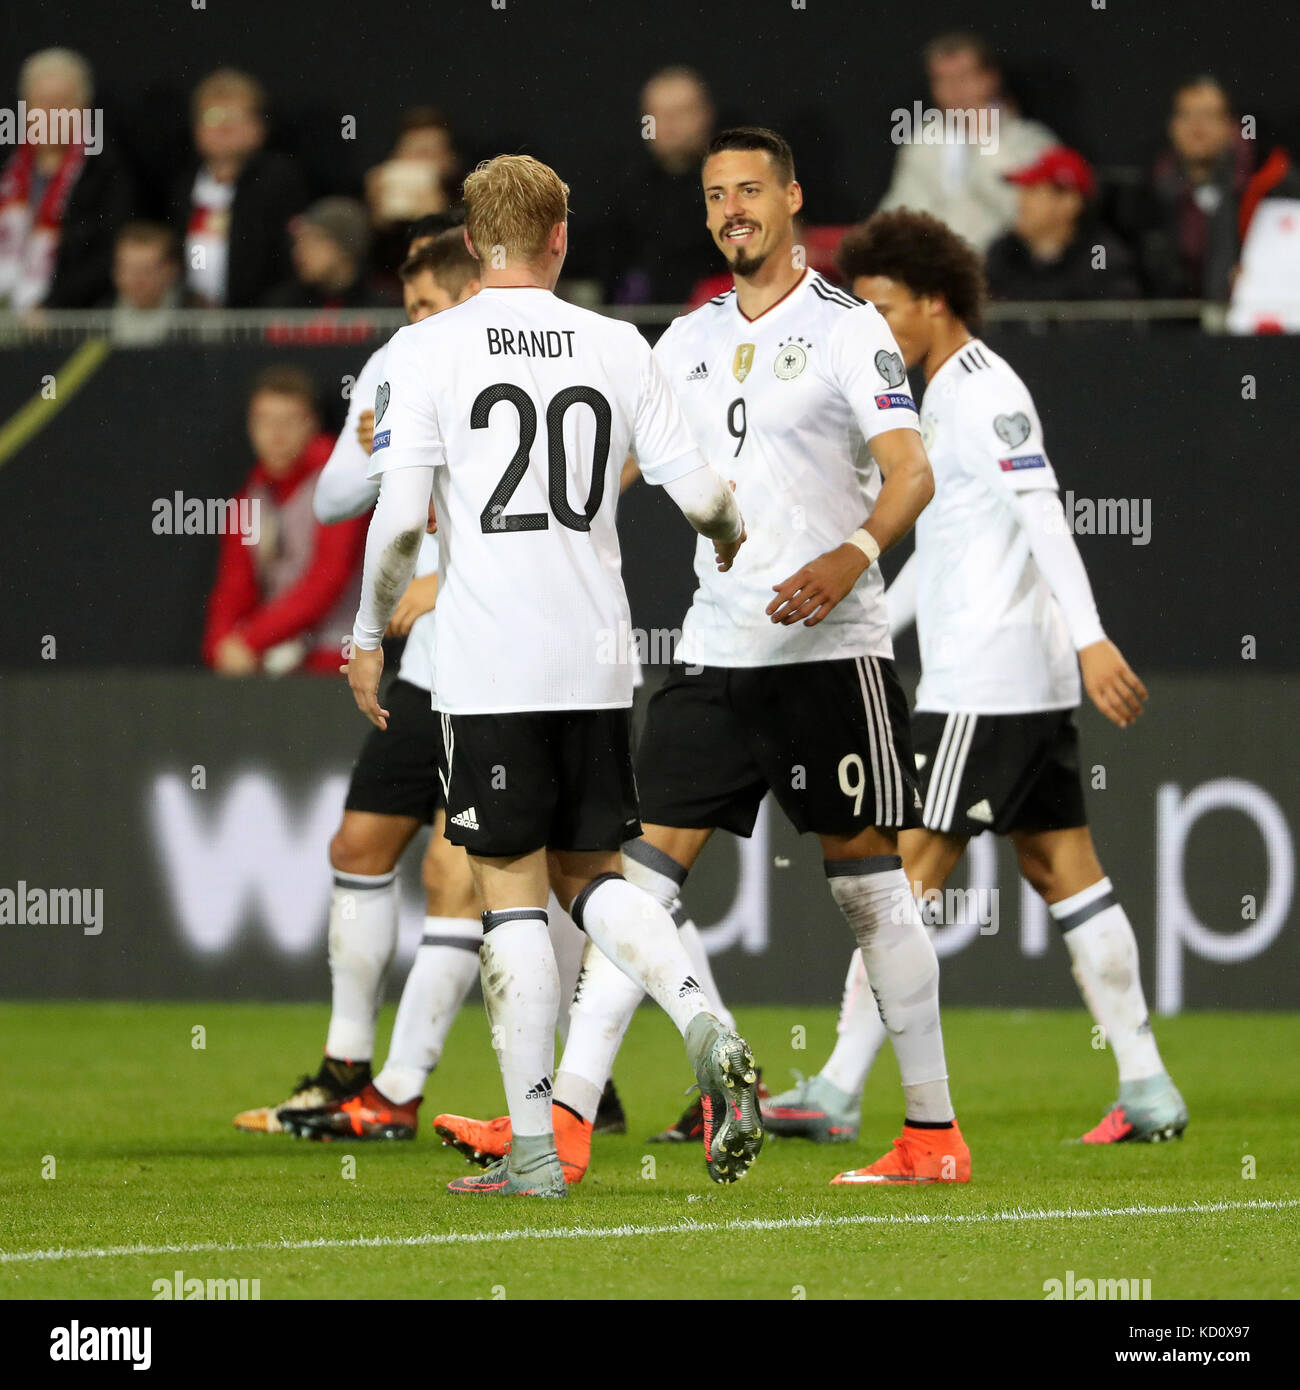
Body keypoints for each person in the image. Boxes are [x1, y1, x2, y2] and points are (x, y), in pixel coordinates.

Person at [437, 128, 971, 1191]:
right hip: (714, 651)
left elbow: (912, 472)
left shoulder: (848, 328)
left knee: (867, 887)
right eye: (716, 193)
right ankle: (570, 1122)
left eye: (750, 191)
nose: (731, 208)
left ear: (792, 199)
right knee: (631, 882)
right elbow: (614, 467)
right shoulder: (677, 339)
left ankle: (930, 1131)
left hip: (830, 650)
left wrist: (850, 553)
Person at [347, 152, 758, 1199]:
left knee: (513, 897)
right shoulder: (618, 343)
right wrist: (725, 538)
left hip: (489, 664)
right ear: (559, 237)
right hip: (597, 658)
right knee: (597, 879)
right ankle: (700, 1014)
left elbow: (397, 524)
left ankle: (535, 1149)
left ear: (473, 238)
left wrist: (365, 632)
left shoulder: (428, 347)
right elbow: (703, 492)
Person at [762, 209, 1187, 1151]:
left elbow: (1044, 518)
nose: (873, 327)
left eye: (884, 307)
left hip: (981, 686)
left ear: (935, 301)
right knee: (1062, 868)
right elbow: (948, 555)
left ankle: (834, 1088)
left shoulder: (985, 391)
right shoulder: (937, 397)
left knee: (894, 878)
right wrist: (863, 615)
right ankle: (1149, 1085)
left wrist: (1093, 638)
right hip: (1012, 682)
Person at [201, 367, 366, 676]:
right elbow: (234, 586)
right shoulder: (248, 499)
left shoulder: (341, 483)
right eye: (264, 421)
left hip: (338, 661)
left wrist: (251, 641)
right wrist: (221, 646)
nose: (276, 434)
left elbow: (327, 578)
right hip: (275, 662)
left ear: (313, 424)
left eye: (290, 421)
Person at [877, 31, 1055, 254]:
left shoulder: (1029, 141)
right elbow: (901, 209)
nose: (954, 90)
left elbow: (1028, 216)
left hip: (1002, 273)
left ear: (989, 79)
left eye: (964, 77)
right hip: (933, 269)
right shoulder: (925, 141)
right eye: (943, 79)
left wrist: (985, 140)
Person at [0, 48, 131, 309]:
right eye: (41, 103)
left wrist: (52, 305)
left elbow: (109, 255)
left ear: (83, 108)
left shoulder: (105, 169)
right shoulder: (7, 163)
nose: (50, 113)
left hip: (65, 321)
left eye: (61, 103)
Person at [170, 68, 307, 307]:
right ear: (196, 129)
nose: (223, 127)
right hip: (193, 321)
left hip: (256, 323)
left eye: (234, 116)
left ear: (258, 128)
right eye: (212, 117)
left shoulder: (278, 181)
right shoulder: (184, 182)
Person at [595, 66, 720, 303]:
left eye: (681, 112)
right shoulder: (625, 191)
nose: (668, 124)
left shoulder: (733, 187)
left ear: (706, 115)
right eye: (656, 114)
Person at [1134, 76, 1252, 301]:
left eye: (1208, 115)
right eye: (1186, 115)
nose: (1197, 126)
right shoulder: (1147, 193)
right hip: (1171, 325)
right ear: (1172, 125)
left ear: (1230, 125)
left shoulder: (1262, 188)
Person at [985, 147, 1139, 300]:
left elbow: (1115, 319)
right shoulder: (1003, 253)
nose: (1021, 202)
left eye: (1033, 191)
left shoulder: (1100, 255)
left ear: (1069, 203)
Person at [263, 197, 394, 309]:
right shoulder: (283, 305)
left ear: (344, 246)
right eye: (298, 242)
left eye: (313, 240)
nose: (298, 251)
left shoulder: (382, 306)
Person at [106, 222, 189, 345]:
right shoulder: (94, 318)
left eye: (147, 270)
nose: (138, 280)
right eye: (130, 269)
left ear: (172, 271)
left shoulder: (197, 316)